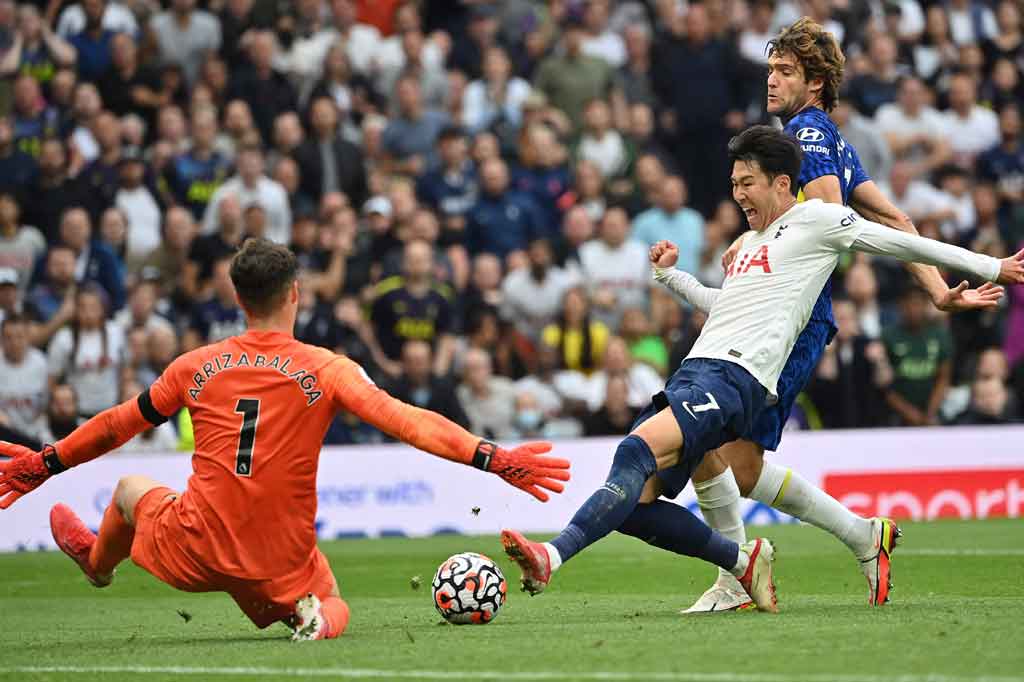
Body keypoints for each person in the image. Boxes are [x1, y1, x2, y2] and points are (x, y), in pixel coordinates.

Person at [501, 125, 1024, 614]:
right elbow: (725, 305)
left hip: (734, 379)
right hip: (695, 371)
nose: (738, 195)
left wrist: (991, 266)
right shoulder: (752, 243)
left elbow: (902, 240)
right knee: (634, 503)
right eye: (733, 184)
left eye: (747, 183)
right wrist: (669, 277)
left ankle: (553, 556)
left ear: (781, 183)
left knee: (635, 451)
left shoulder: (820, 221)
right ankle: (740, 563)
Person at [0, 238, 569, 641]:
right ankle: (315, 620)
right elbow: (408, 422)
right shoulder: (327, 369)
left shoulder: (194, 366)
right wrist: (494, 458)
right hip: (279, 558)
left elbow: (118, 424)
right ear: (296, 293)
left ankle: (98, 564)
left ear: (238, 299)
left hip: (196, 544)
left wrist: (44, 463)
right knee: (332, 598)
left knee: (129, 487)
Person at [680, 17, 1005, 613]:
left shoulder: (807, 133)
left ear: (816, 82)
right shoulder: (832, 138)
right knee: (733, 463)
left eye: (785, 71)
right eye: (770, 69)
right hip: (796, 315)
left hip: (790, 317)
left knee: (718, 455)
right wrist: (937, 291)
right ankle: (857, 536)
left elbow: (830, 215)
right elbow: (894, 219)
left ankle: (738, 578)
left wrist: (758, 236)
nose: (771, 80)